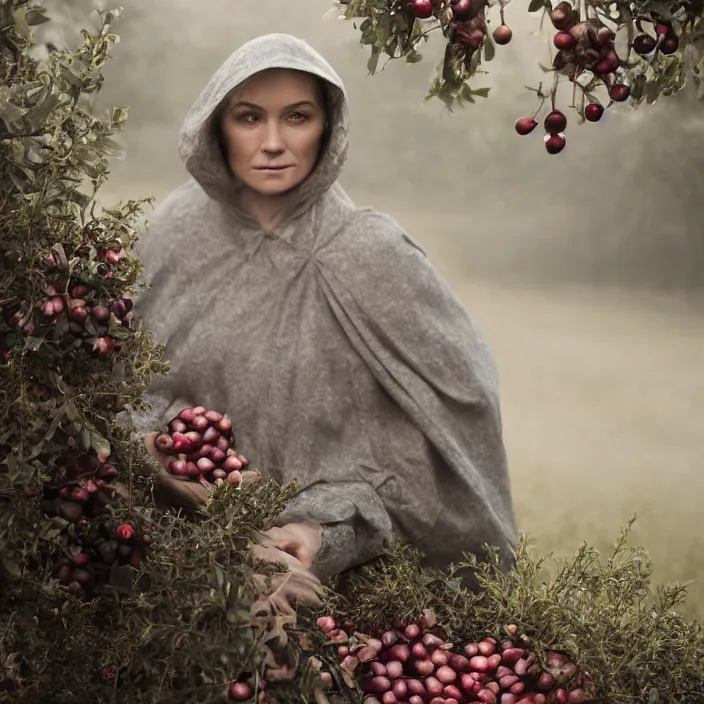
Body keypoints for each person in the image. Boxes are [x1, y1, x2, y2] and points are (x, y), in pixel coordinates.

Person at [131, 33, 517, 600]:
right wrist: (155, 450)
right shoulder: (174, 233)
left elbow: (451, 422)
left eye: (297, 117)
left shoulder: (371, 252)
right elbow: (119, 377)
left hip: (336, 588)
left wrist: (324, 528)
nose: (272, 143)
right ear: (216, 127)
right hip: (171, 563)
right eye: (248, 117)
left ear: (327, 127)